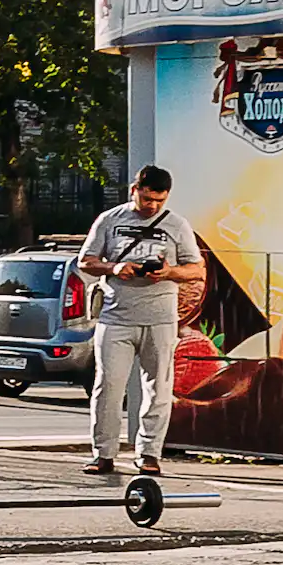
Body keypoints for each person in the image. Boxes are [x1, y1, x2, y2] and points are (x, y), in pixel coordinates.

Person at [77, 166, 202, 481]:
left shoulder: (176, 224)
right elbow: (85, 261)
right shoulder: (110, 220)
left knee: (158, 387)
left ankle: (149, 454)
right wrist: (115, 267)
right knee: (108, 387)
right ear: (134, 190)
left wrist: (169, 272)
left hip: (160, 319)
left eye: (160, 200)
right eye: (147, 199)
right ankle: (103, 453)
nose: (152, 206)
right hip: (116, 317)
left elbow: (197, 270)